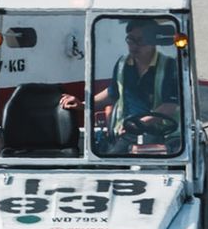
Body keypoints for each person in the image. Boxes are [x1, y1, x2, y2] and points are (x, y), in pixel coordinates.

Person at [60, 19, 180, 153]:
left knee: (163, 164)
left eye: (140, 40)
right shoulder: (122, 64)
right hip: (128, 132)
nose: (134, 46)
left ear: (153, 41)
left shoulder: (169, 66)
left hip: (163, 132)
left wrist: (140, 123)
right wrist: (83, 105)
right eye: (130, 40)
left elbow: (169, 106)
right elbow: (112, 94)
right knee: (108, 166)